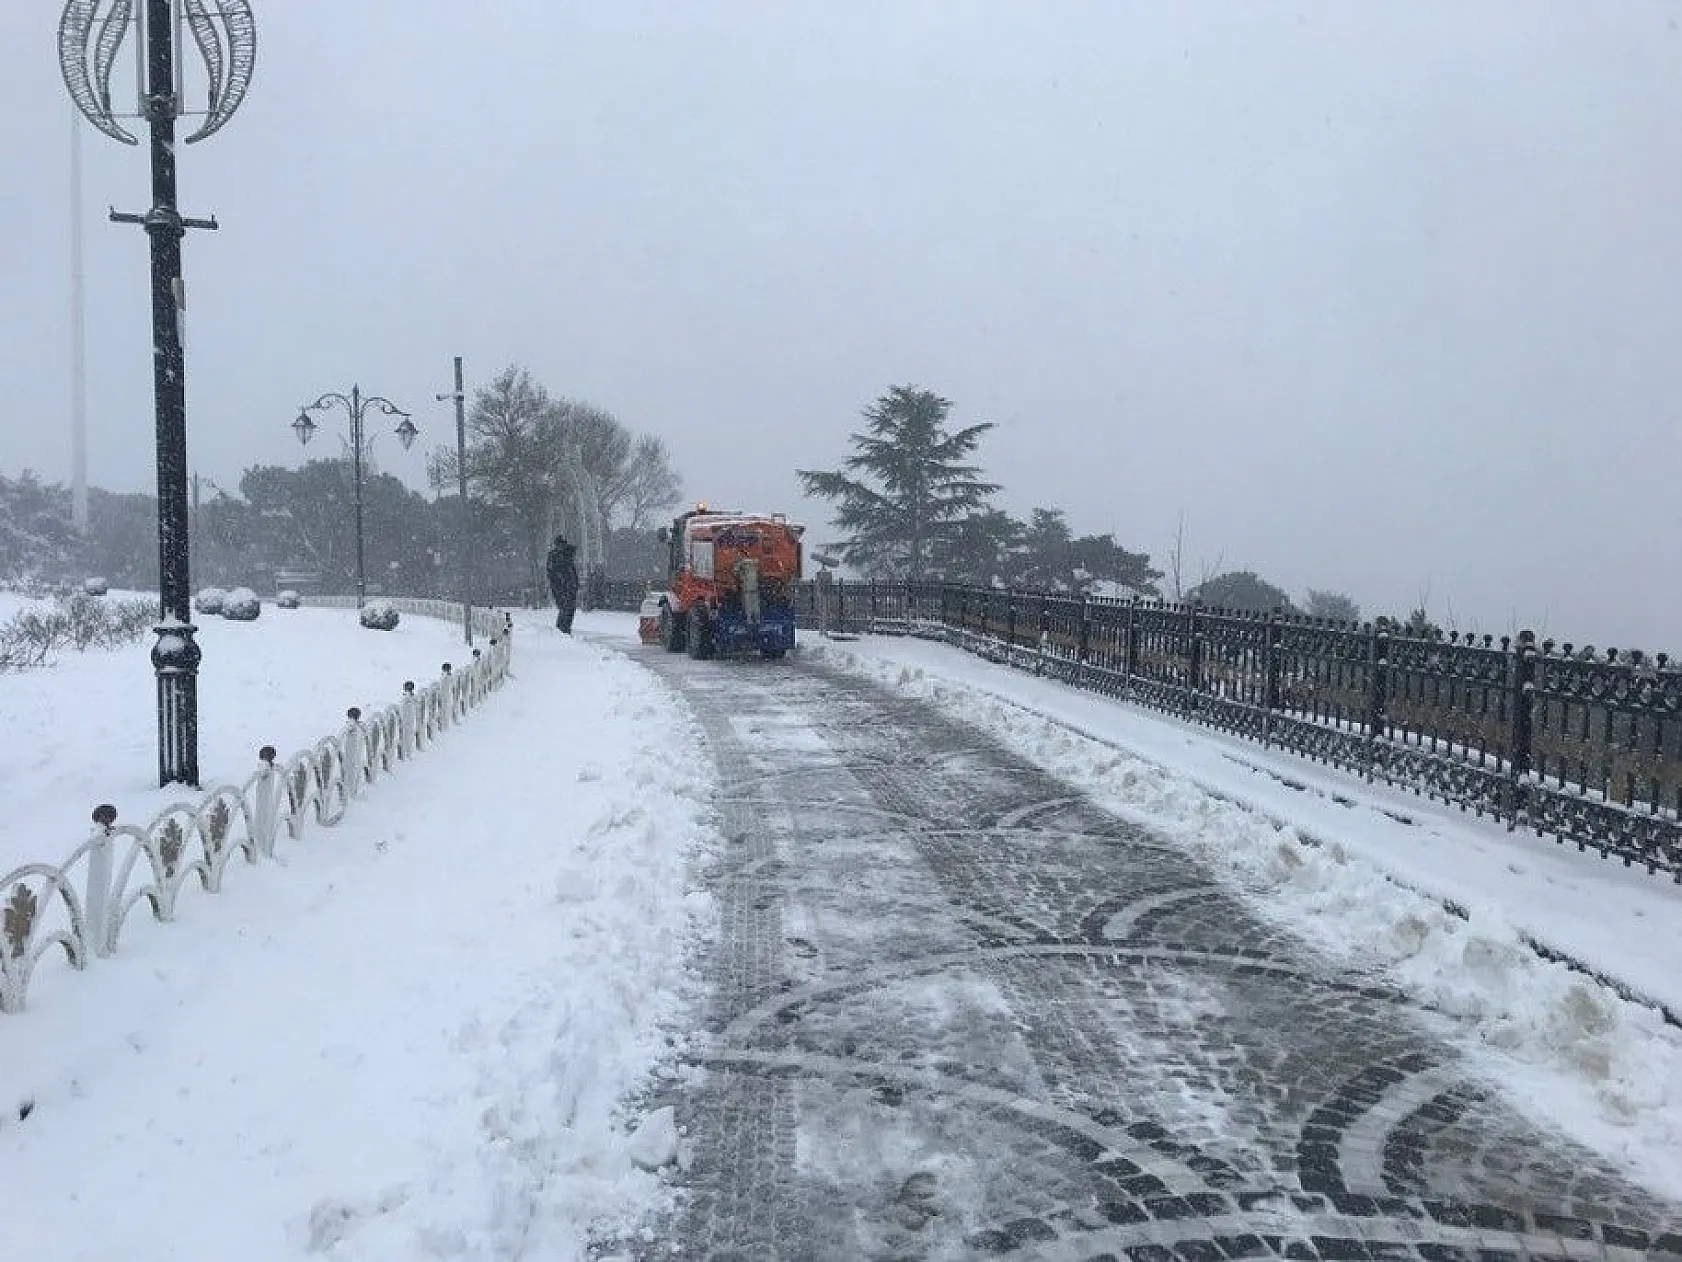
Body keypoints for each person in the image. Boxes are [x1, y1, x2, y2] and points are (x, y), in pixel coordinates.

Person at [545, 534, 579, 632]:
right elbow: (553, 574)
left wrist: (574, 584)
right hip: (562, 587)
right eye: (560, 544)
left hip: (568, 586)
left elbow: (569, 571)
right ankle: (562, 630)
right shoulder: (555, 556)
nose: (561, 546)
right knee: (565, 608)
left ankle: (564, 630)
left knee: (569, 608)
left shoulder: (565, 555)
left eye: (563, 544)